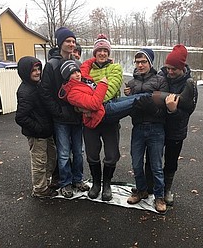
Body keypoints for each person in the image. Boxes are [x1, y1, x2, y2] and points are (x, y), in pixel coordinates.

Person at [40, 27, 89, 198]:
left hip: (77, 115)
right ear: (60, 43)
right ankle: (65, 183)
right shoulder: (52, 65)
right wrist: (57, 112)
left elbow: (87, 84)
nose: (71, 44)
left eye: (73, 42)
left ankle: (78, 179)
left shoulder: (77, 64)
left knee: (78, 151)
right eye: (68, 41)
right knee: (63, 152)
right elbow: (45, 92)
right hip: (61, 117)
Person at [80, 34, 123, 201]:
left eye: (105, 50)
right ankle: (96, 183)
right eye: (99, 50)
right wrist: (95, 93)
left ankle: (107, 184)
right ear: (95, 52)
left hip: (109, 119)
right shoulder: (87, 70)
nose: (103, 53)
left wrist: (91, 100)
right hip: (91, 121)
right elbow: (80, 90)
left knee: (112, 155)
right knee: (92, 153)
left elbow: (110, 89)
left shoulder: (115, 68)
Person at [124, 48, 168, 213]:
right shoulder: (132, 83)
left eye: (143, 61)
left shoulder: (160, 80)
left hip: (156, 128)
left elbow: (164, 106)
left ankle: (159, 197)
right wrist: (128, 96)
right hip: (138, 128)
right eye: (137, 62)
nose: (140, 65)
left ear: (150, 62)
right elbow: (128, 106)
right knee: (136, 163)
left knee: (156, 165)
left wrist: (153, 109)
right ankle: (141, 190)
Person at [154, 44, 198, 206]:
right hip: (158, 126)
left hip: (176, 130)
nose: (170, 72)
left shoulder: (190, 84)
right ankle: (151, 186)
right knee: (152, 157)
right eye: (168, 68)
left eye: (174, 69)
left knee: (171, 161)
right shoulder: (161, 76)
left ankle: (166, 189)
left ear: (182, 67)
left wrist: (173, 110)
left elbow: (188, 111)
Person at [58, 60, 147, 129]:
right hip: (103, 112)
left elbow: (86, 64)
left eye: (77, 71)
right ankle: (156, 97)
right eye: (72, 73)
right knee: (137, 101)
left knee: (137, 97)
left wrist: (102, 57)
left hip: (108, 103)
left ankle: (153, 95)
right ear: (67, 77)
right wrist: (102, 84)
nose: (77, 74)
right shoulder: (72, 94)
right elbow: (94, 104)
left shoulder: (82, 78)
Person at [15, 56, 57, 198]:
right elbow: (20, 117)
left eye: (39, 69)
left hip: (46, 131)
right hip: (37, 134)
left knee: (52, 157)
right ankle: (40, 190)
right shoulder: (26, 91)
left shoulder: (37, 86)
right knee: (39, 162)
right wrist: (39, 129)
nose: (38, 72)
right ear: (25, 72)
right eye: (33, 70)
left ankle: (45, 182)